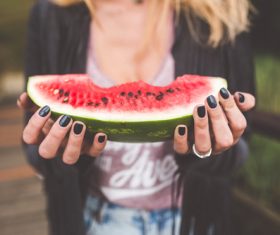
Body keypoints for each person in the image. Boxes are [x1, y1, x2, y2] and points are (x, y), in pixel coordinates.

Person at [17, 0, 256, 235]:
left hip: (197, 220)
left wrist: (204, 151)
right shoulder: (51, 14)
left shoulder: (219, 11)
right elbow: (34, 147)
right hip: (96, 219)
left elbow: (242, 146)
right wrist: (65, 155)